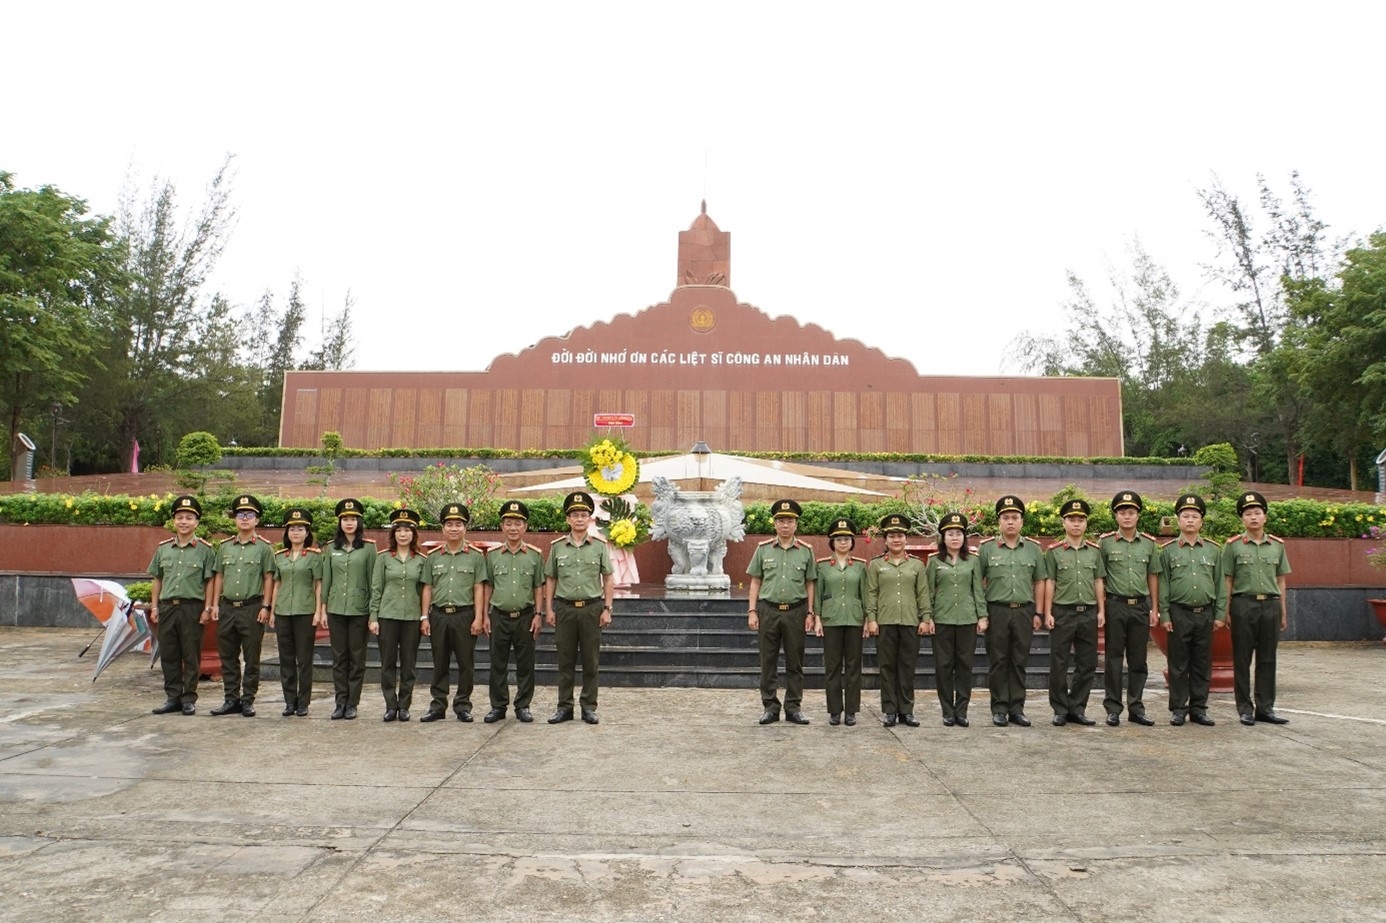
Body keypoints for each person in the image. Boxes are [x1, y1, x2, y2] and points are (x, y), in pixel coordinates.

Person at [1222, 490, 1292, 726]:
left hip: (1270, 605)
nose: (1253, 517)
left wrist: (1283, 611)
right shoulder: (1233, 546)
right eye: (1248, 513)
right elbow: (1228, 580)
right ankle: (1244, 708)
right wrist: (1225, 610)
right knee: (1242, 659)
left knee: (1268, 659)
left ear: (1265, 517)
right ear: (1242, 519)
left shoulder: (1277, 546)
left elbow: (1281, 581)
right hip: (1244, 605)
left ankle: (1265, 708)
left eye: (1257, 513)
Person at [544, 491, 614, 725]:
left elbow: (608, 578)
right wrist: (549, 609)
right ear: (568, 519)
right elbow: (551, 579)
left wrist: (607, 608)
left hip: (591, 609)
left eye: (584, 515)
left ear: (589, 519)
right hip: (565, 609)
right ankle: (564, 707)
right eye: (575, 515)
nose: (579, 519)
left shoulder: (599, 546)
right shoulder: (558, 547)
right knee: (565, 661)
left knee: (590, 661)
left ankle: (588, 707)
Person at [746, 499, 817, 725]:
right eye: (781, 521)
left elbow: (810, 583)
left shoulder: (806, 551)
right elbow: (755, 581)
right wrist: (752, 611)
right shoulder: (763, 549)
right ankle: (770, 707)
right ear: (775, 524)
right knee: (768, 661)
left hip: (796, 611)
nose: (785, 525)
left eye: (789, 521)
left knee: (795, 662)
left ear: (796, 524)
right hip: (768, 610)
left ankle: (793, 707)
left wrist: (811, 612)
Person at [977, 495, 1046, 727]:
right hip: (997, 610)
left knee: (1019, 660)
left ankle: (1017, 708)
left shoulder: (1033, 549)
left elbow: (1039, 581)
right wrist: (982, 613)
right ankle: (999, 708)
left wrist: (1038, 613)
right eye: (1005, 517)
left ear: (1021, 521)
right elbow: (978, 582)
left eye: (1015, 517)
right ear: (999, 521)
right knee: (998, 660)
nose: (1010, 522)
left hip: (1024, 611)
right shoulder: (987, 549)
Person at [1158, 493, 1226, 727]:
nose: (1190, 520)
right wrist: (1165, 614)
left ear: (1201, 521)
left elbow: (1220, 583)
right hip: (1179, 613)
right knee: (1178, 664)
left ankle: (1199, 709)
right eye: (1185, 516)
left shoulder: (1213, 550)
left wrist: (1220, 614)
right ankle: (1179, 708)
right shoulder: (1168, 551)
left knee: (1201, 663)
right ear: (1178, 520)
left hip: (1205, 613)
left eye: (1194, 516)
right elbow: (1164, 584)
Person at [421, 502, 489, 724]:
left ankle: (462, 705)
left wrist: (478, 617)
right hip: (439, 616)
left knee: (465, 664)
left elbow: (478, 587)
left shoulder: (475, 556)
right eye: (449, 524)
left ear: (465, 528)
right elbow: (427, 588)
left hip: (464, 615)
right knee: (439, 663)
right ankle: (438, 705)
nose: (454, 528)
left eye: (458, 524)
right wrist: (424, 617)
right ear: (442, 528)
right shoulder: (433, 557)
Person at [147, 495, 216, 715]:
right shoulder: (164, 549)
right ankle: (172, 697)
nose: (184, 522)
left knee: (191, 655)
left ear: (196, 522)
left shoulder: (205, 550)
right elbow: (157, 579)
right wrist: (155, 607)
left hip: (191, 608)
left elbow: (210, 581)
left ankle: (188, 698)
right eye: (180, 517)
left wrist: (207, 608)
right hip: (167, 608)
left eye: (189, 518)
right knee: (169, 654)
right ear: (174, 521)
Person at [208, 495, 275, 717]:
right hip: (227, 607)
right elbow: (219, 576)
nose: (245, 518)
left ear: (257, 519)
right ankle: (231, 699)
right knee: (227, 656)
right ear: (235, 519)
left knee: (251, 657)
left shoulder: (264, 548)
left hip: (252, 608)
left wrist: (266, 606)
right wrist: (215, 604)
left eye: (249, 515)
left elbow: (268, 578)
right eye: (240, 514)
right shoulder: (225, 547)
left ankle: (248, 700)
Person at [1098, 491, 1161, 727]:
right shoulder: (1105, 543)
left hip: (1140, 606)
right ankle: (1113, 708)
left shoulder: (1148, 544)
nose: (1127, 516)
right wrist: (1102, 608)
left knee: (1138, 660)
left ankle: (1136, 708)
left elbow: (1153, 575)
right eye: (1122, 512)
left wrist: (1154, 607)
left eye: (1131, 512)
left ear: (1138, 515)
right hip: (1115, 605)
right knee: (1114, 659)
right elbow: (1100, 577)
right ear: (1116, 516)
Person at [865, 513, 932, 727]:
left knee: (907, 667)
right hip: (885, 622)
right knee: (887, 667)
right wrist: (871, 619)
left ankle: (906, 711)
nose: (896, 539)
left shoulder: (916, 565)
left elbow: (923, 593)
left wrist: (926, 618)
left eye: (900, 536)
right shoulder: (876, 565)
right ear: (885, 540)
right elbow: (871, 593)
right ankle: (890, 710)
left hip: (910, 622)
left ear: (906, 539)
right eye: (892, 536)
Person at [1043, 499, 1106, 726]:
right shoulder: (1054, 552)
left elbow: (1098, 581)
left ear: (1086, 523)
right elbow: (1050, 582)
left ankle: (1077, 708)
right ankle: (1060, 709)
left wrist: (1101, 610)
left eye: (1080, 520)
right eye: (1071, 519)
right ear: (1064, 523)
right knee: (1059, 662)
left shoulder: (1094, 552)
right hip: (1063, 612)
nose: (1076, 524)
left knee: (1087, 663)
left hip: (1088, 612)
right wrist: (1048, 612)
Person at [483, 500, 545, 724]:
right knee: (497, 663)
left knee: (525, 664)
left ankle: (523, 705)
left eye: (518, 523)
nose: (513, 528)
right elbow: (488, 586)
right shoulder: (492, 555)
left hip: (525, 616)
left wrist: (538, 614)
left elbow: (538, 587)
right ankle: (498, 706)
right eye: (508, 523)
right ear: (502, 526)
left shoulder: (534, 555)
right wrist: (484, 615)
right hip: (499, 616)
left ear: (525, 527)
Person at [926, 512, 987, 727]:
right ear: (943, 537)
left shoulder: (973, 561)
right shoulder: (934, 561)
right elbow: (929, 592)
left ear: (964, 537)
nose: (955, 538)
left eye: (959, 534)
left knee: (964, 666)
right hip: (942, 619)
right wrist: (928, 617)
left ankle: (961, 711)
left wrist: (982, 616)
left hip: (967, 619)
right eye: (950, 534)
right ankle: (947, 711)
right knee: (943, 666)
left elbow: (978, 590)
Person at [370, 508, 430, 722]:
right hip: (387, 616)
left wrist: (424, 617)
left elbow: (425, 590)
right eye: (399, 530)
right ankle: (390, 705)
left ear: (414, 534)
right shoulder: (383, 558)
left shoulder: (421, 560)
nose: (403, 534)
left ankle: (404, 705)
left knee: (408, 664)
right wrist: (373, 617)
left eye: (407, 530)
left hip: (411, 618)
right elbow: (376, 588)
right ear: (393, 534)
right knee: (387, 663)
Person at [321, 498, 375, 720]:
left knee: (357, 657)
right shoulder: (331, 548)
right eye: (345, 519)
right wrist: (323, 609)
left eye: (353, 518)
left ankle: (352, 703)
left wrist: (373, 613)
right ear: (340, 522)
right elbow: (326, 580)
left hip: (359, 610)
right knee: (339, 658)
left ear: (359, 521)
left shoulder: (369, 548)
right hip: (336, 609)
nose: (349, 522)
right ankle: (340, 702)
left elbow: (373, 582)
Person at [270, 507, 323, 717]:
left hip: (305, 611)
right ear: (287, 532)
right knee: (286, 658)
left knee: (304, 659)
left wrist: (318, 612)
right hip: (283, 611)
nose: (296, 533)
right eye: (292, 529)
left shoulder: (314, 557)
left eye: (300, 529)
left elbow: (318, 585)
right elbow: (277, 584)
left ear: (307, 533)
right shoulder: (280, 556)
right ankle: (289, 701)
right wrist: (272, 611)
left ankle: (303, 702)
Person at [815, 517, 867, 726]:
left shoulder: (861, 566)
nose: (843, 542)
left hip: (854, 619)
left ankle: (851, 710)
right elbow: (818, 594)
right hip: (831, 619)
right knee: (833, 666)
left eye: (846, 539)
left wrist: (867, 619)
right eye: (838, 539)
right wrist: (817, 618)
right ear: (832, 542)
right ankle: (835, 710)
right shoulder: (823, 566)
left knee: (853, 666)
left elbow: (865, 594)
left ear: (852, 542)